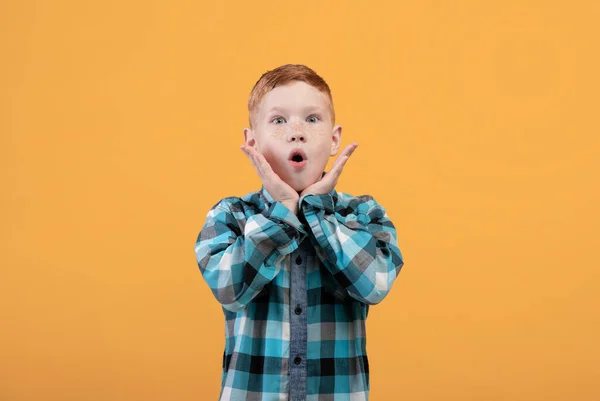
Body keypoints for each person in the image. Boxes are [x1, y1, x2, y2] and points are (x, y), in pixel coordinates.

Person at [194, 64, 405, 401]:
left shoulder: (363, 214)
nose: (297, 132)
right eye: (279, 121)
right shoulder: (229, 216)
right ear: (252, 140)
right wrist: (281, 213)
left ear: (334, 139)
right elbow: (229, 289)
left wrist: (316, 211)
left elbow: (375, 284)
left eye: (312, 119)